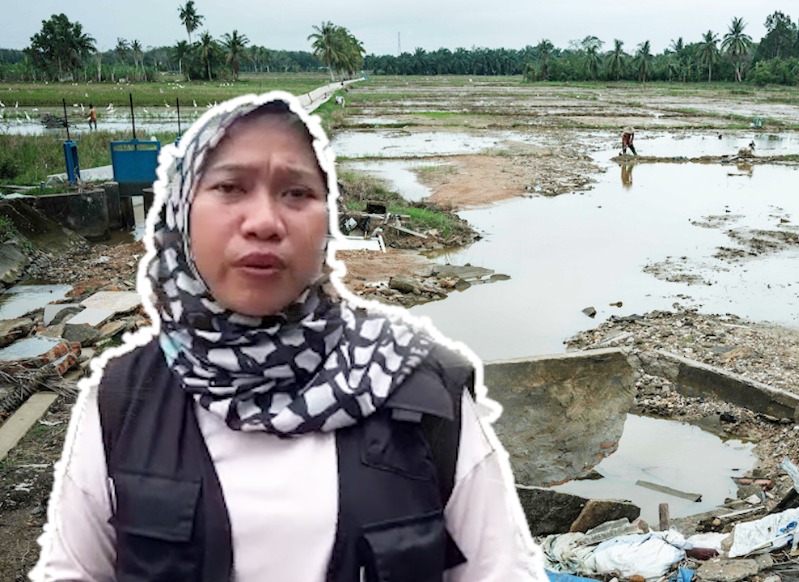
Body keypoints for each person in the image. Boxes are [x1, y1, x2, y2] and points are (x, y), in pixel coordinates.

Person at [31, 92, 547, 582]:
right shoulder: (123, 399)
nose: (264, 222)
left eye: (297, 192)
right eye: (230, 187)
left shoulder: (421, 384)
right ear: (182, 212)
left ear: (327, 221)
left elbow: (498, 568)